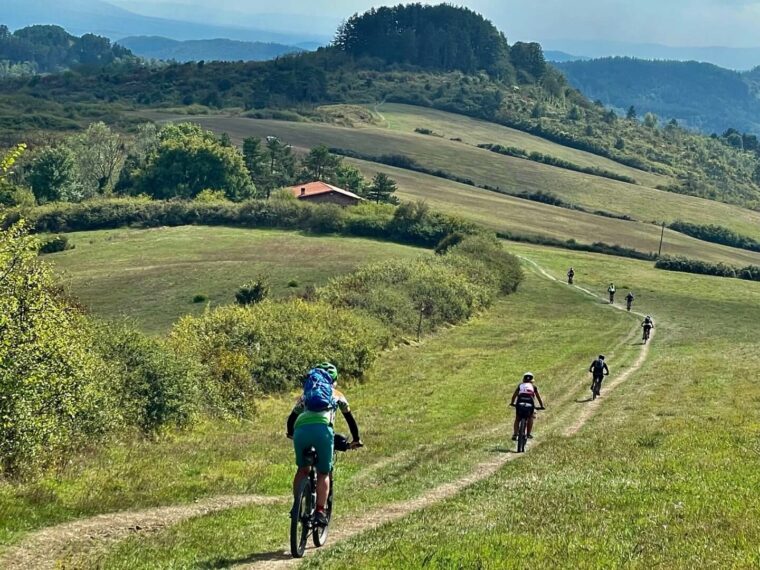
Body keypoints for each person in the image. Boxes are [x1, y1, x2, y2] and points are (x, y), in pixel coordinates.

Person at [286, 362, 362, 527]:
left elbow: (291, 418)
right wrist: (356, 439)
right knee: (323, 472)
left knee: (302, 469)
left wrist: (291, 434)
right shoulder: (336, 394)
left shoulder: (307, 394)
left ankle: (296, 506)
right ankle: (320, 511)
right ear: (333, 380)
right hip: (323, 431)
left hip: (300, 431)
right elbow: (350, 419)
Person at [509, 372, 546, 440]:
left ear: (523, 379)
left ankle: (515, 434)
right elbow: (538, 397)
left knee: (517, 418)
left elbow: (514, 395)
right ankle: (528, 434)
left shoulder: (520, 385)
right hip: (530, 403)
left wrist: (512, 403)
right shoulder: (533, 387)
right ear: (532, 380)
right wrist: (541, 406)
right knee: (530, 417)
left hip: (520, 402)